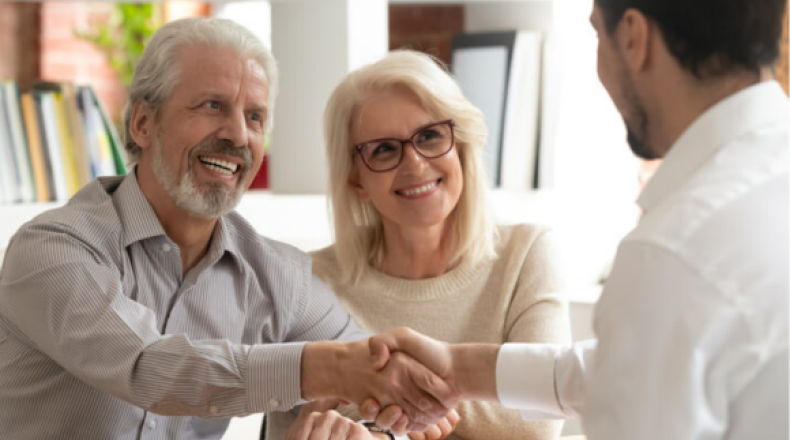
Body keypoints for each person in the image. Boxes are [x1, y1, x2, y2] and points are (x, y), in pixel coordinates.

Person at [0, 18, 457, 440]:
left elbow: (367, 363)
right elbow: (148, 366)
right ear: (142, 122)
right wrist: (330, 370)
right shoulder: (52, 250)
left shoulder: (279, 276)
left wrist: (370, 423)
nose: (238, 135)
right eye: (213, 105)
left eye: (255, 116)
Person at [366, 0, 790, 439]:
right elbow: (642, 363)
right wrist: (458, 369)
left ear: (632, 37)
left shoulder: (675, 251)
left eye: (595, 35)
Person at [267, 50, 571, 440]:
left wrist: (376, 391)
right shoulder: (305, 282)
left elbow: (541, 418)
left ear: (460, 146)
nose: (414, 163)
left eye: (429, 136)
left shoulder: (527, 254)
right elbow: (293, 431)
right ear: (356, 181)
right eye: (384, 149)